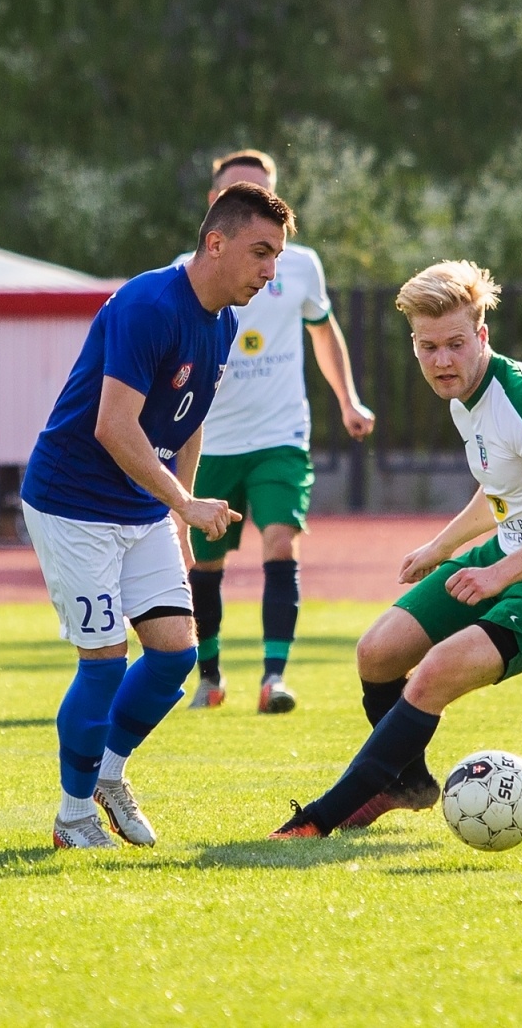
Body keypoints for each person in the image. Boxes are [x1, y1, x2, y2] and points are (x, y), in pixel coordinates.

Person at [270, 260, 522, 839]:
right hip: (515, 552)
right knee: (379, 652)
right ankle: (405, 783)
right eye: (427, 346)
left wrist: (499, 576)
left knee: (434, 672)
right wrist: (442, 546)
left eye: (456, 344)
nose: (441, 361)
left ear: (481, 336)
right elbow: (503, 487)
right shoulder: (468, 395)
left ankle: (322, 819)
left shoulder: (521, 402)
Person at [21, 182, 296, 850]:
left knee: (175, 656)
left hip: (144, 507)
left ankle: (108, 775)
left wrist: (181, 508)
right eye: (261, 253)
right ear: (216, 242)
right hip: (73, 503)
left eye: (277, 257)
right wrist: (183, 501)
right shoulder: (150, 304)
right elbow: (113, 427)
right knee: (105, 664)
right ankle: (72, 815)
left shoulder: (225, 319)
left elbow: (189, 417)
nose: (270, 271)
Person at [174, 150, 375, 715]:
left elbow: (324, 332)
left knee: (281, 539)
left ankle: (274, 678)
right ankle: (209, 678)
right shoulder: (185, 271)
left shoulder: (301, 265)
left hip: (281, 436)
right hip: (209, 441)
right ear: (216, 206)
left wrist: (348, 400)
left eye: (264, 193)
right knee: (203, 564)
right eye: (239, 191)